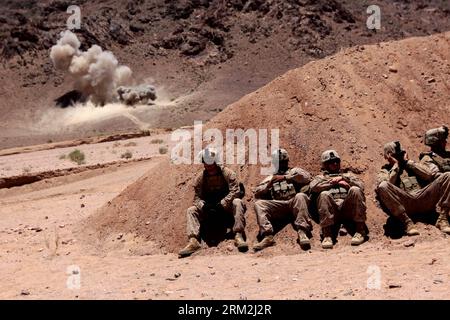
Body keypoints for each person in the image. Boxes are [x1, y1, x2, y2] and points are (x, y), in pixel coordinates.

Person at [178, 148, 248, 258]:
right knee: (191, 210)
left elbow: (235, 191)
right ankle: (194, 241)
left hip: (226, 207)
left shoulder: (228, 173)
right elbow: (196, 198)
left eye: (211, 162)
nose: (209, 165)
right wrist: (204, 206)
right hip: (210, 209)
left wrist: (222, 203)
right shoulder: (200, 178)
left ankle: (238, 235)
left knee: (238, 202)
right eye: (206, 162)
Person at [376, 141, 450, 235]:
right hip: (405, 203)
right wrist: (395, 166)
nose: (399, 157)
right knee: (383, 185)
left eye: (401, 154)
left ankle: (442, 219)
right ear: (388, 157)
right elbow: (387, 185)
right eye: (396, 156)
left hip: (424, 198)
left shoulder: (412, 165)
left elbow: (429, 175)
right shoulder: (384, 171)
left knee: (448, 175)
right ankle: (407, 222)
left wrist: (409, 162)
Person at [253, 148, 313, 251]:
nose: (281, 164)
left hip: (293, 203)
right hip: (278, 206)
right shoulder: (270, 177)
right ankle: (268, 236)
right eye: (278, 162)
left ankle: (302, 232)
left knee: (301, 196)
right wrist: (269, 185)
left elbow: (307, 178)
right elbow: (257, 193)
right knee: (259, 204)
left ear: (287, 162)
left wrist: (286, 177)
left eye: (283, 162)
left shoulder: (294, 172)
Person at [310, 150, 367, 249]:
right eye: (332, 162)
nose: (335, 164)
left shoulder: (348, 176)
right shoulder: (320, 177)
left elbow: (361, 186)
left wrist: (344, 179)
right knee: (324, 194)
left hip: (348, 210)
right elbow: (313, 187)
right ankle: (327, 235)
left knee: (355, 189)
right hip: (332, 213)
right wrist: (335, 182)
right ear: (326, 165)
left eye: (337, 161)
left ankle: (360, 231)